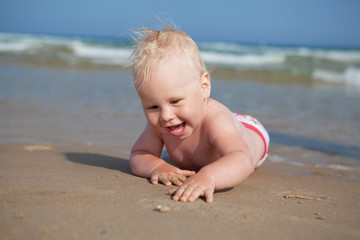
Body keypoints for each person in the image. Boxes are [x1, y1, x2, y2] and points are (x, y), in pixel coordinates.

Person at [129, 25, 269, 203]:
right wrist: (157, 166)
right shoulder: (162, 122)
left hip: (251, 130)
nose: (165, 115)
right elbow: (139, 154)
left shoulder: (216, 120)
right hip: (211, 117)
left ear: (203, 87)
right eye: (153, 107)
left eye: (175, 101)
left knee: (228, 129)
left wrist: (209, 176)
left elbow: (242, 159)